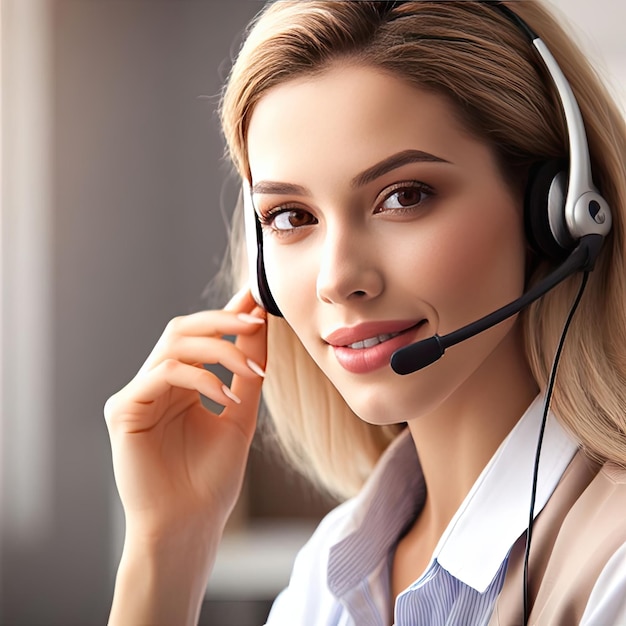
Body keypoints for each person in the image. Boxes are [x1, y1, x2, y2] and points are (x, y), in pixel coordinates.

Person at [104, 1, 626, 624]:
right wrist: (167, 547)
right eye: (292, 217)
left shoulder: (612, 563)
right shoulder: (330, 574)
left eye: (403, 197)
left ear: (559, 212)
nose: (337, 279)